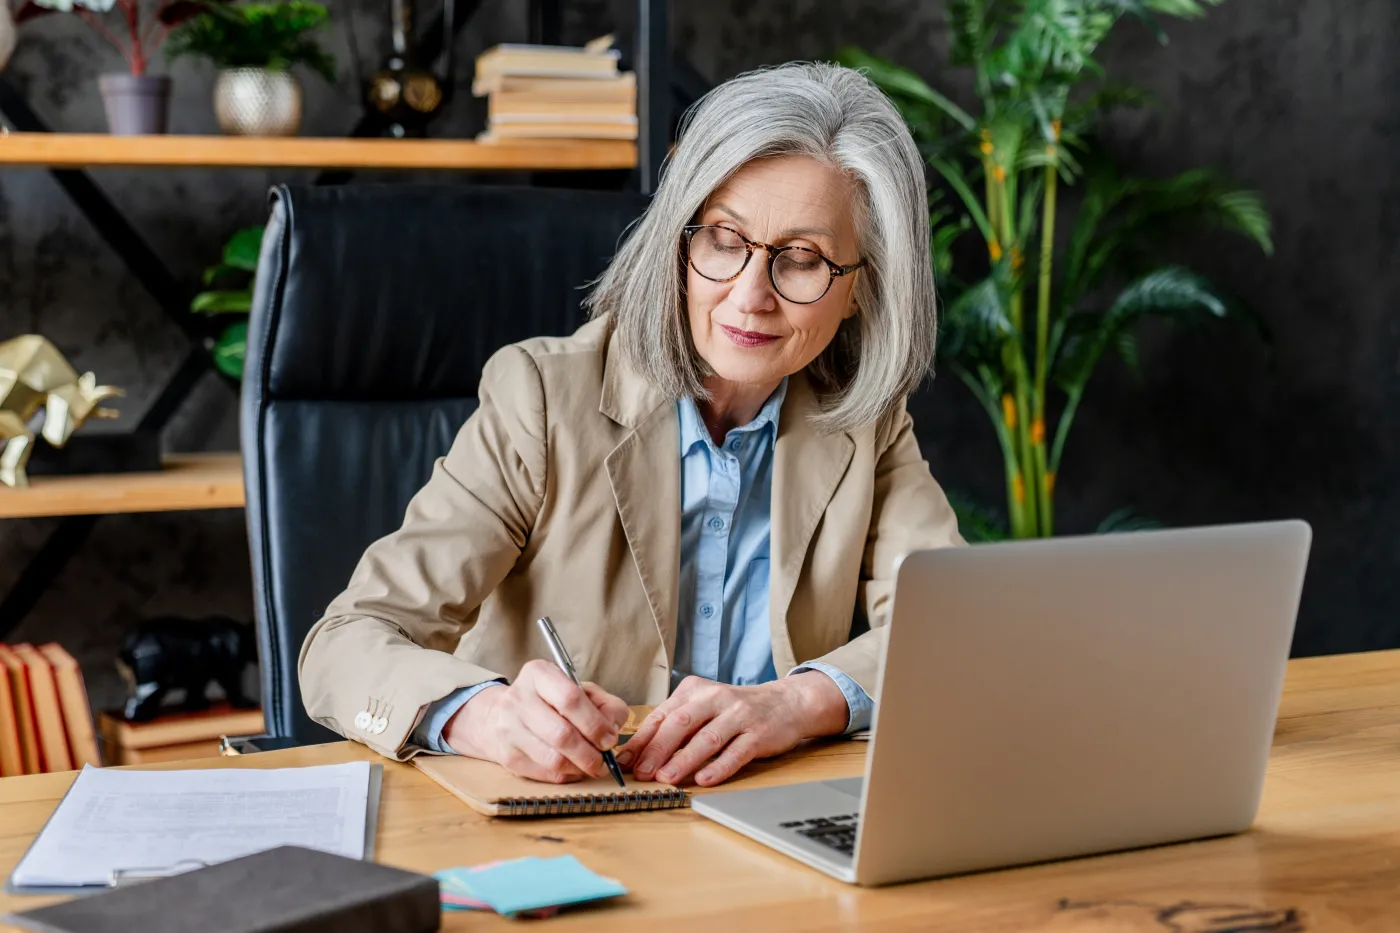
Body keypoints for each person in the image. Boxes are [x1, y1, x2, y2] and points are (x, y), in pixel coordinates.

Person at [298, 61, 964, 789]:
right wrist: (481, 715)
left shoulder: (865, 419)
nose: (748, 297)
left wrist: (796, 702)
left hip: (765, 819)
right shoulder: (542, 399)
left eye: (800, 260)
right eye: (721, 240)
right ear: (676, 242)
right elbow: (342, 646)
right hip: (571, 816)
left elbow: (958, 632)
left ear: (862, 286)